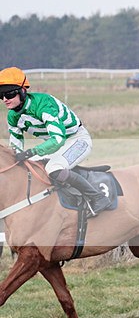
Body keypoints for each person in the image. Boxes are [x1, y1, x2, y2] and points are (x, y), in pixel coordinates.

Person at [1, 66, 112, 217]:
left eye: (9, 94)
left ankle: (98, 197)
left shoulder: (43, 104)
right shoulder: (12, 116)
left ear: (22, 91)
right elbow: (16, 147)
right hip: (53, 146)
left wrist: (32, 151)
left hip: (77, 139)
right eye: (1, 95)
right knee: (29, 167)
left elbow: (58, 139)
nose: (5, 99)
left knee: (53, 168)